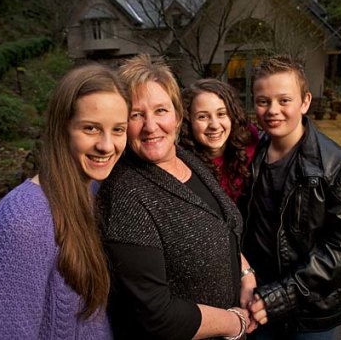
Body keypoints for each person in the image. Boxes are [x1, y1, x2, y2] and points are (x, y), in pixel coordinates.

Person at [97, 54, 256, 340]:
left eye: (160, 110)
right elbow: (156, 315)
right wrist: (235, 324)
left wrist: (245, 274)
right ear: (121, 124)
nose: (150, 126)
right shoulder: (126, 195)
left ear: (178, 115)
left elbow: (223, 226)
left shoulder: (185, 157)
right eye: (136, 115)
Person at [0, 63, 129, 339]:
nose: (107, 145)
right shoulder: (22, 219)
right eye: (91, 128)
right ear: (62, 128)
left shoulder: (93, 191)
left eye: (118, 129)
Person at [242, 55, 341, 340]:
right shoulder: (254, 152)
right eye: (263, 101)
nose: (272, 110)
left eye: (284, 100)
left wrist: (281, 295)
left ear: (305, 101)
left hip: (311, 312)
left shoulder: (340, 167)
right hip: (256, 298)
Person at [180, 78, 259, 206]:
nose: (215, 125)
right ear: (188, 121)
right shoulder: (181, 162)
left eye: (221, 114)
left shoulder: (249, 140)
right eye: (203, 117)